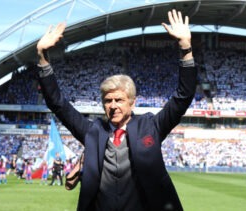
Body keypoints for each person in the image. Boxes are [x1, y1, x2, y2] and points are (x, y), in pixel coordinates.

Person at [36, 9, 196, 211]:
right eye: (108, 100)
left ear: (132, 102)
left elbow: (183, 97)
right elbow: (58, 104)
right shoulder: (92, 131)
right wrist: (42, 57)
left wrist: (185, 48)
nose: (113, 106)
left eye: (119, 100)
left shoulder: (151, 126)